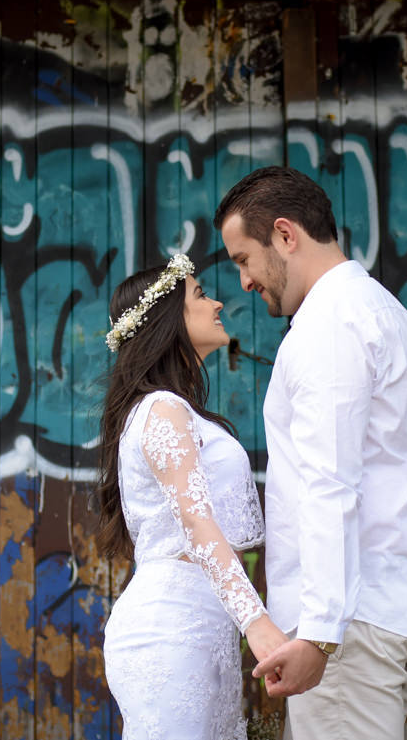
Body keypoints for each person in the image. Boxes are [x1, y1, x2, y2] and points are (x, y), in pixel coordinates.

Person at [214, 166, 407, 740]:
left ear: (285, 235)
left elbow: (329, 481)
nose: (244, 282)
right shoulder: (388, 314)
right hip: (391, 611)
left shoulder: (330, 325)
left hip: (348, 629)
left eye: (244, 259)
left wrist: (319, 634)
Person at [97, 253, 288, 740]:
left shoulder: (177, 409)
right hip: (170, 629)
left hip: (204, 627)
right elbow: (199, 526)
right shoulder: (162, 409)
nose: (217, 303)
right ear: (167, 321)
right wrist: (257, 623)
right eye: (200, 295)